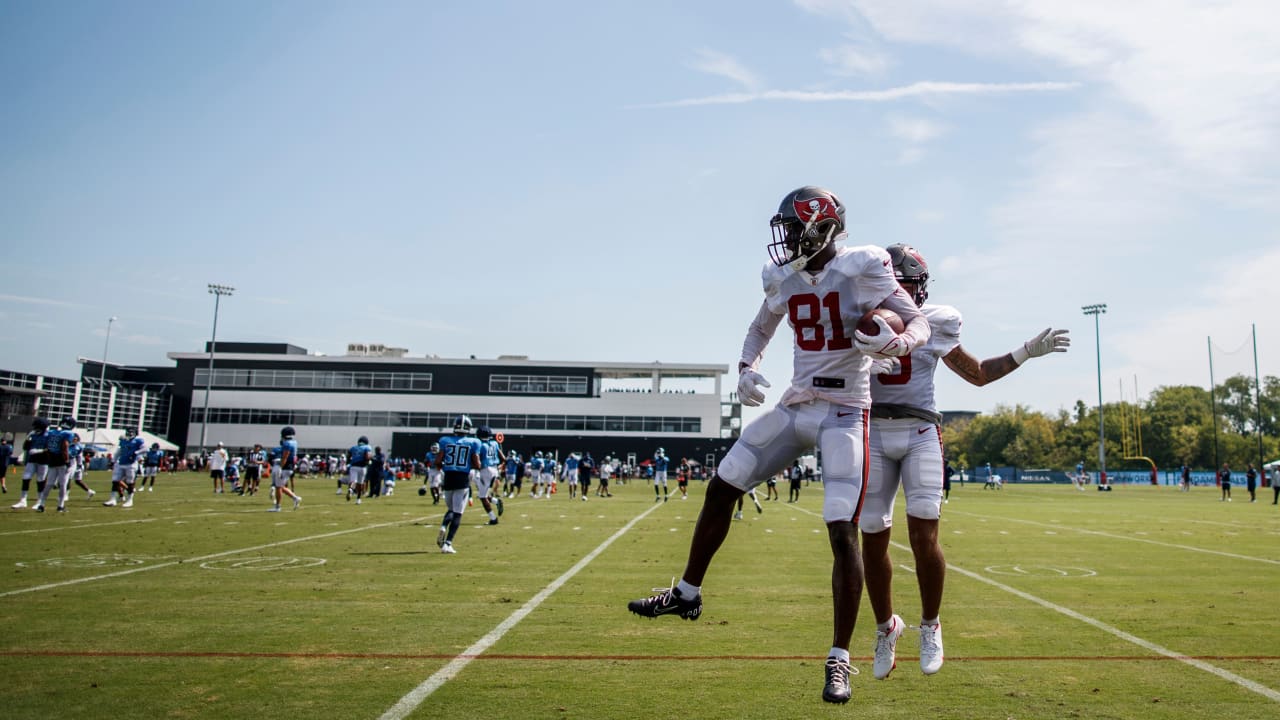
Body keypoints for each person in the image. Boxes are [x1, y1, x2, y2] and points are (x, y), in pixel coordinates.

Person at [627, 185, 930, 704]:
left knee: (841, 531)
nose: (785, 238)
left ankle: (839, 661)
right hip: (796, 405)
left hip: (845, 412)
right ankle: (687, 594)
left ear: (823, 228)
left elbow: (918, 320)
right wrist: (746, 369)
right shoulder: (782, 277)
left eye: (793, 228)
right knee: (722, 485)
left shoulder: (863, 266)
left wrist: (899, 341)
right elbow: (759, 326)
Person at [861, 242, 1069, 679]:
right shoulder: (857, 313)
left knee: (923, 532)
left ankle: (931, 625)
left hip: (920, 430)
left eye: (909, 283)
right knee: (872, 533)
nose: (903, 290)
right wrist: (859, 367)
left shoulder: (937, 320)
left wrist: (1026, 352)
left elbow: (976, 374)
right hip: (874, 430)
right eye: (897, 281)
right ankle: (886, 628)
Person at [434, 415, 483, 553]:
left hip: (448, 477)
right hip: (462, 478)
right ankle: (448, 544)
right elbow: (477, 463)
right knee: (458, 512)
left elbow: (437, 461)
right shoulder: (473, 442)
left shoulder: (445, 440)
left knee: (450, 509)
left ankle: (444, 525)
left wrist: (445, 467)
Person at [33, 416, 76, 513]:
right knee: (63, 484)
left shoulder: (52, 432)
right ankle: (60, 506)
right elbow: (64, 446)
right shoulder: (68, 433)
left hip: (52, 458)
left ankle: (42, 505)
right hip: (61, 459)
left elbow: (47, 445)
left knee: (49, 483)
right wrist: (67, 461)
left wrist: (50, 456)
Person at [11, 417, 50, 509]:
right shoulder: (32, 434)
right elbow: (25, 447)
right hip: (32, 459)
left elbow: (51, 448)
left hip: (44, 460)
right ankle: (23, 500)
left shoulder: (49, 435)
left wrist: (39, 451)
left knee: (40, 480)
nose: (35, 428)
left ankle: (40, 501)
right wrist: (28, 440)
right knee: (26, 478)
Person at [104, 428, 146, 508]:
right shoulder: (123, 440)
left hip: (131, 464)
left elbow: (145, 449)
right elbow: (119, 451)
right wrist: (113, 461)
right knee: (115, 481)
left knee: (130, 482)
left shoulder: (138, 440)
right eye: (128, 432)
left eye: (131, 432)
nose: (129, 434)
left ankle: (129, 500)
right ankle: (112, 500)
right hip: (121, 463)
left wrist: (136, 452)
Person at [474, 425, 504, 523]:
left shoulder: (480, 444)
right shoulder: (495, 443)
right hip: (494, 469)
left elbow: (477, 460)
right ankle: (496, 501)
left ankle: (493, 518)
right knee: (484, 493)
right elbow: (503, 458)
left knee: (482, 497)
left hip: (485, 470)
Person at [347, 435, 372, 503]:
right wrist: (368, 461)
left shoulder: (353, 447)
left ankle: (351, 489)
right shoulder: (367, 447)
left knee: (353, 481)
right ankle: (358, 499)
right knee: (360, 483)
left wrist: (348, 463)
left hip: (353, 466)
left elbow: (348, 455)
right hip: (362, 467)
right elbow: (368, 456)